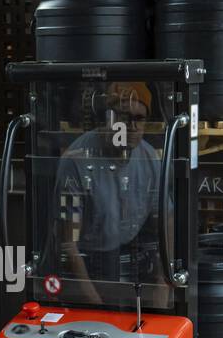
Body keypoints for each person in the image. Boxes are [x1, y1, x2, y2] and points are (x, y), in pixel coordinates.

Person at [49, 81, 164, 306]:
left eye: (139, 119)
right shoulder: (76, 162)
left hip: (129, 258)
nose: (130, 126)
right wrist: (93, 300)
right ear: (107, 119)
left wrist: (163, 280)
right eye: (123, 117)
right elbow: (68, 242)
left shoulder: (149, 158)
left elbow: (165, 217)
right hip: (85, 264)